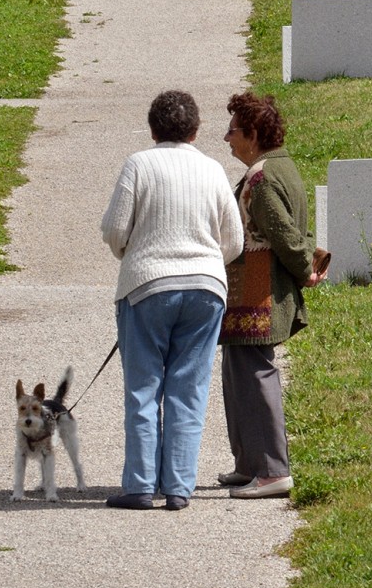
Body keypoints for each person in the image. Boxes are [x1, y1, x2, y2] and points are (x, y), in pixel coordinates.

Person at [100, 89, 244, 512]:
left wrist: (132, 254)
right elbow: (234, 240)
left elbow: (114, 230)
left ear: (152, 130)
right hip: (206, 288)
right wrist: (206, 261)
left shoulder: (139, 165)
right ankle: (179, 487)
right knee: (189, 388)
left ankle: (141, 485)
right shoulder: (213, 169)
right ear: (196, 131)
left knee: (144, 388)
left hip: (147, 286)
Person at [219, 91, 324, 500]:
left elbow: (284, 234)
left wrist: (305, 269)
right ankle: (249, 464)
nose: (227, 138)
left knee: (255, 375)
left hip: (258, 293)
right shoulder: (282, 167)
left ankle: (272, 471)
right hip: (252, 291)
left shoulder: (262, 177)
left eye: (233, 131)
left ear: (253, 134)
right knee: (238, 373)